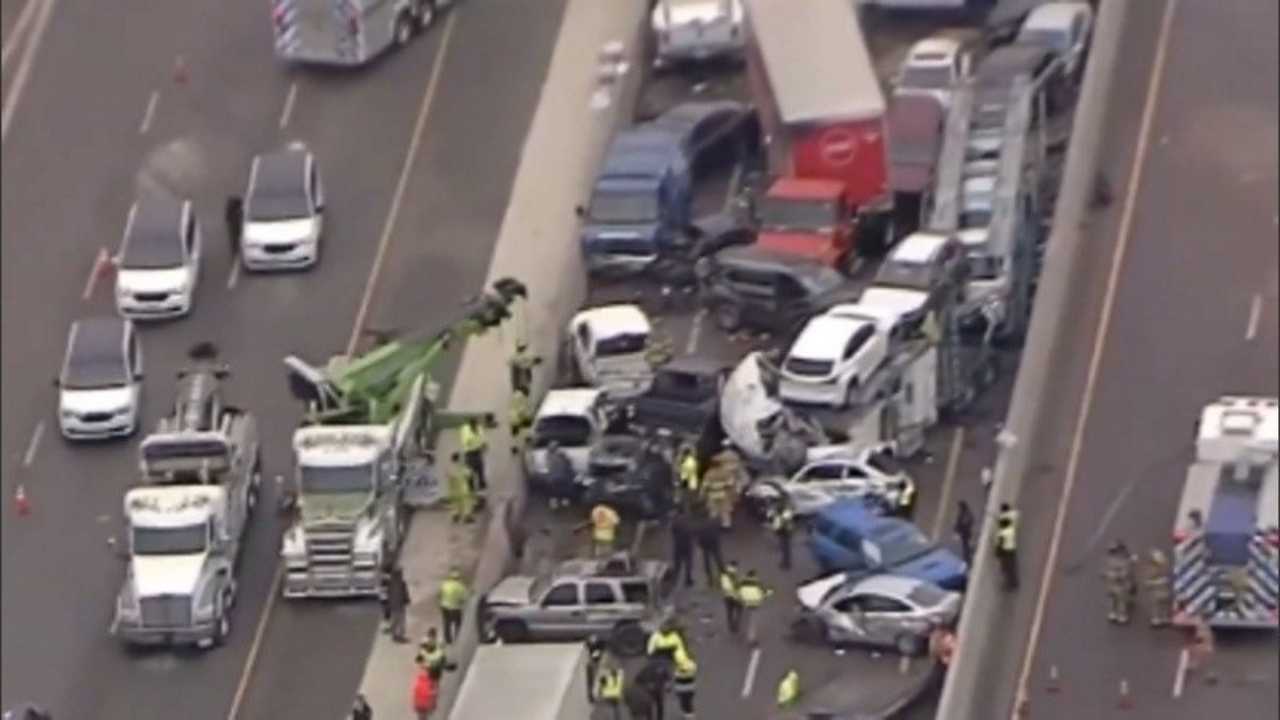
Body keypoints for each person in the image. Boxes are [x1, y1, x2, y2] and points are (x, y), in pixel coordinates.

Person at [1103, 541, 1136, 624]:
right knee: (1121, 602)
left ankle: (1112, 613)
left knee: (1113, 600)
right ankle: (1121, 615)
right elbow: (1125, 574)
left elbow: (1105, 574)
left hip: (1111, 585)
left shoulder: (1109, 562)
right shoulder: (1123, 563)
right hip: (1121, 587)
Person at [702, 451, 736, 529]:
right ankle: (726, 525)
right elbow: (730, 483)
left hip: (712, 494)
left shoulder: (708, 473)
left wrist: (703, 495)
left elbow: (705, 485)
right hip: (723, 494)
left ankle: (713, 525)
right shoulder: (725, 472)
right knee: (724, 511)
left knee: (713, 511)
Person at [738, 569, 771, 644]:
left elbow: (738, 593)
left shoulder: (742, 583)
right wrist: (769, 593)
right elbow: (763, 594)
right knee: (753, 622)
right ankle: (751, 638)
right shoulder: (757, 583)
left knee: (746, 619)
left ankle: (745, 632)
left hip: (746, 603)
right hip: (755, 604)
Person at [693, 510, 725, 585]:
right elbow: (720, 527)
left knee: (706, 560)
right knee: (718, 558)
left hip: (705, 544)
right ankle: (722, 573)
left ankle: (710, 577)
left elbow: (697, 535)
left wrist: (699, 544)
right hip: (714, 542)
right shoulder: (714, 521)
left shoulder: (700, 524)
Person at [438, 569, 469, 644]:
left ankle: (448, 639)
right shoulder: (461, 587)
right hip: (456, 608)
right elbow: (465, 598)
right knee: (457, 624)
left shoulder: (445, 584)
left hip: (445, 607)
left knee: (447, 623)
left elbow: (440, 594)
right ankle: (457, 638)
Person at [382, 564, 410, 643]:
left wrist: (388, 605)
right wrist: (407, 600)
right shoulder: (401, 583)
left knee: (395, 619)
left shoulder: (390, 583)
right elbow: (404, 594)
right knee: (401, 621)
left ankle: (395, 634)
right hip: (399, 605)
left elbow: (388, 594)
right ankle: (400, 636)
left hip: (393, 605)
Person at [994, 503, 1019, 591]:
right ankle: (1014, 583)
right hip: (1012, 545)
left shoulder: (1004, 523)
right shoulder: (1013, 515)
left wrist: (998, 549)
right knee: (1012, 565)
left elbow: (1002, 537)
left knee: (1006, 567)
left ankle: (1010, 584)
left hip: (1006, 548)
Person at [1144, 548, 1172, 627]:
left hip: (1164, 591)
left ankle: (1164, 617)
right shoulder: (1151, 570)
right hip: (1155, 592)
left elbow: (1169, 576)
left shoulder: (1165, 567)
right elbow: (1147, 583)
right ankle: (1155, 619)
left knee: (1165, 604)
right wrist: (1159, 582)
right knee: (1156, 606)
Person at [543, 441, 575, 509]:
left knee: (562, 488)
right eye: (552, 447)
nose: (554, 448)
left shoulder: (561, 454)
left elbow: (569, 462)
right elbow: (550, 465)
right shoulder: (550, 455)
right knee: (554, 490)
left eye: (555, 446)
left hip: (561, 475)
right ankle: (556, 503)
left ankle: (563, 501)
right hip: (555, 476)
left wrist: (565, 456)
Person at [459, 419, 488, 493]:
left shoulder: (479, 428)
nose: (475, 428)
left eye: (476, 426)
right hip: (469, 453)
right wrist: (478, 445)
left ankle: (482, 486)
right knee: (470, 472)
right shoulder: (465, 429)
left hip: (477, 452)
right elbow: (467, 442)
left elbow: (482, 439)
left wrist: (484, 445)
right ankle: (471, 488)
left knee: (480, 469)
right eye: (473, 426)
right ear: (471, 425)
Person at [670, 507, 696, 587]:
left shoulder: (675, 521)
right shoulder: (688, 520)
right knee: (688, 563)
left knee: (677, 564)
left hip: (678, 544)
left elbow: (673, 532)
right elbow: (692, 530)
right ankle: (688, 579)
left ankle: (674, 580)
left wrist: (676, 539)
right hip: (687, 543)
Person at [446, 453, 475, 523]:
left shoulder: (449, 469)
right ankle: (467, 517)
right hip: (463, 490)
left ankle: (456, 515)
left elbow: (448, 478)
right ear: (459, 459)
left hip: (453, 491)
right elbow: (469, 474)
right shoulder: (462, 467)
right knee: (466, 504)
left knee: (456, 505)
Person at [671, 648, 697, 719]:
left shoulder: (678, 668)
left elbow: (676, 676)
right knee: (688, 702)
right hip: (690, 688)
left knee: (684, 702)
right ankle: (688, 714)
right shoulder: (692, 665)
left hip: (682, 689)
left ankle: (688, 714)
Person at [769, 501, 795, 570]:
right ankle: (787, 562)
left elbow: (777, 525)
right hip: (788, 532)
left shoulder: (780, 516)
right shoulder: (786, 513)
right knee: (786, 547)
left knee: (785, 548)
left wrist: (775, 528)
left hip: (784, 533)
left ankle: (786, 563)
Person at [718, 560, 743, 634]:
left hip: (727, 596)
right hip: (736, 596)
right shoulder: (736, 574)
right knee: (739, 610)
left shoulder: (724, 575)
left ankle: (731, 625)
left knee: (730, 612)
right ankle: (736, 623)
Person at [508, 388, 534, 456]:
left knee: (515, 434)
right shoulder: (521, 397)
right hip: (519, 417)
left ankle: (514, 447)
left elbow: (514, 407)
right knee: (526, 429)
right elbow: (522, 409)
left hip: (512, 417)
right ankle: (528, 441)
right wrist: (527, 416)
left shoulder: (515, 395)